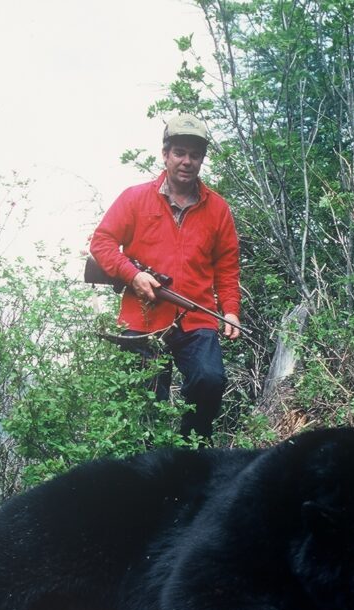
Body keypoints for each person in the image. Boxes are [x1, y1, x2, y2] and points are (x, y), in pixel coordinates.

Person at [89, 114, 242, 442]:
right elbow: (101, 242)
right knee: (143, 408)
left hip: (197, 316)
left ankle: (189, 453)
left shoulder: (218, 209)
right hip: (141, 320)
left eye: (195, 155)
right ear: (165, 154)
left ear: (202, 159)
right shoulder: (134, 197)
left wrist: (230, 310)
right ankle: (148, 472)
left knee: (210, 380)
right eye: (179, 153)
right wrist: (134, 276)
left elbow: (227, 267)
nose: (187, 162)